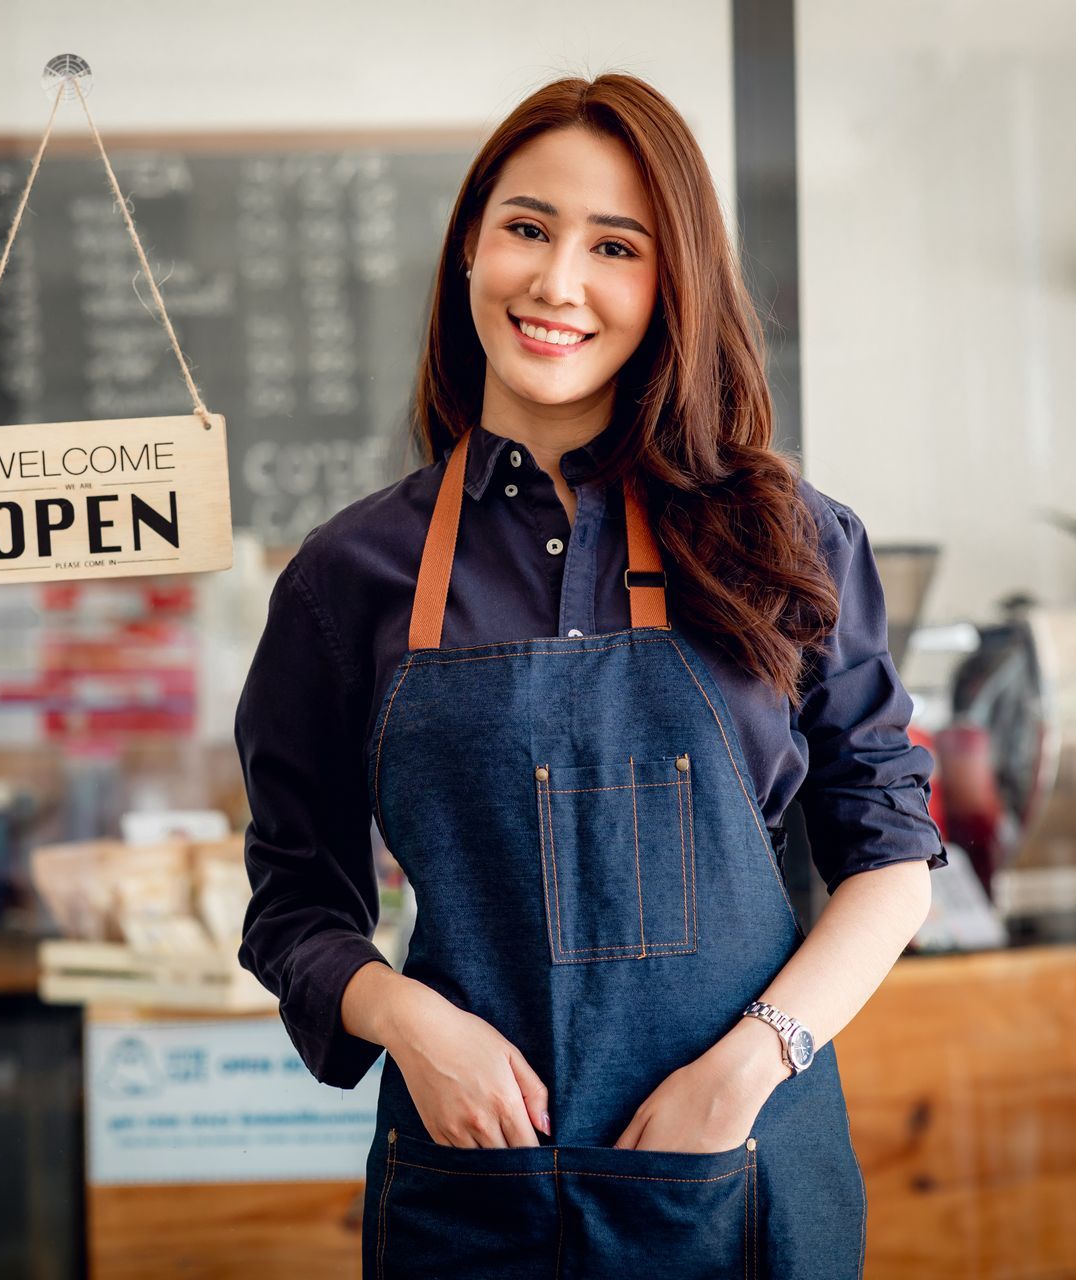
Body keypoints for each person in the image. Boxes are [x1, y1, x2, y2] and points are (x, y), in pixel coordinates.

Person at [232, 72, 948, 1279]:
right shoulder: (346, 577)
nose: (557, 282)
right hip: (472, 1189)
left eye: (615, 246)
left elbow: (890, 858)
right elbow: (294, 903)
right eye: (527, 228)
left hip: (742, 1173)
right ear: (471, 247)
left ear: (671, 284)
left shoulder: (788, 541)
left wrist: (746, 1067)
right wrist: (410, 1023)